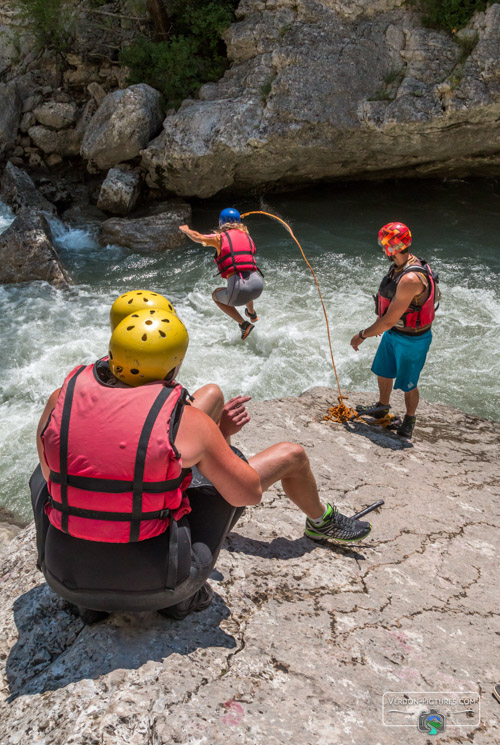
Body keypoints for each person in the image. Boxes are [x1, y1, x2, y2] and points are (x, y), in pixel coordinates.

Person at [32, 303, 372, 624]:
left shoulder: (62, 397)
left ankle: (90, 603)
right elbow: (246, 494)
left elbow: (53, 476)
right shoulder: (187, 420)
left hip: (64, 578)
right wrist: (221, 435)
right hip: (160, 586)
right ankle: (319, 522)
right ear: (174, 365)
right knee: (286, 456)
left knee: (41, 479)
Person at [350, 222, 439, 439]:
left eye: (384, 244)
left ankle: (409, 419)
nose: (382, 248)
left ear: (392, 247)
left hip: (412, 339)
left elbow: (389, 320)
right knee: (383, 370)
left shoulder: (410, 278)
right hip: (396, 333)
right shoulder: (399, 266)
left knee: (409, 383)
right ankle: (382, 406)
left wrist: (361, 335)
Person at [179, 208, 263, 340]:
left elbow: (197, 237)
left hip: (240, 289)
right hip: (258, 286)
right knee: (245, 281)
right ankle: (252, 314)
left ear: (221, 223)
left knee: (215, 295)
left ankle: (243, 324)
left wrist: (186, 229)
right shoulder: (247, 237)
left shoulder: (220, 238)